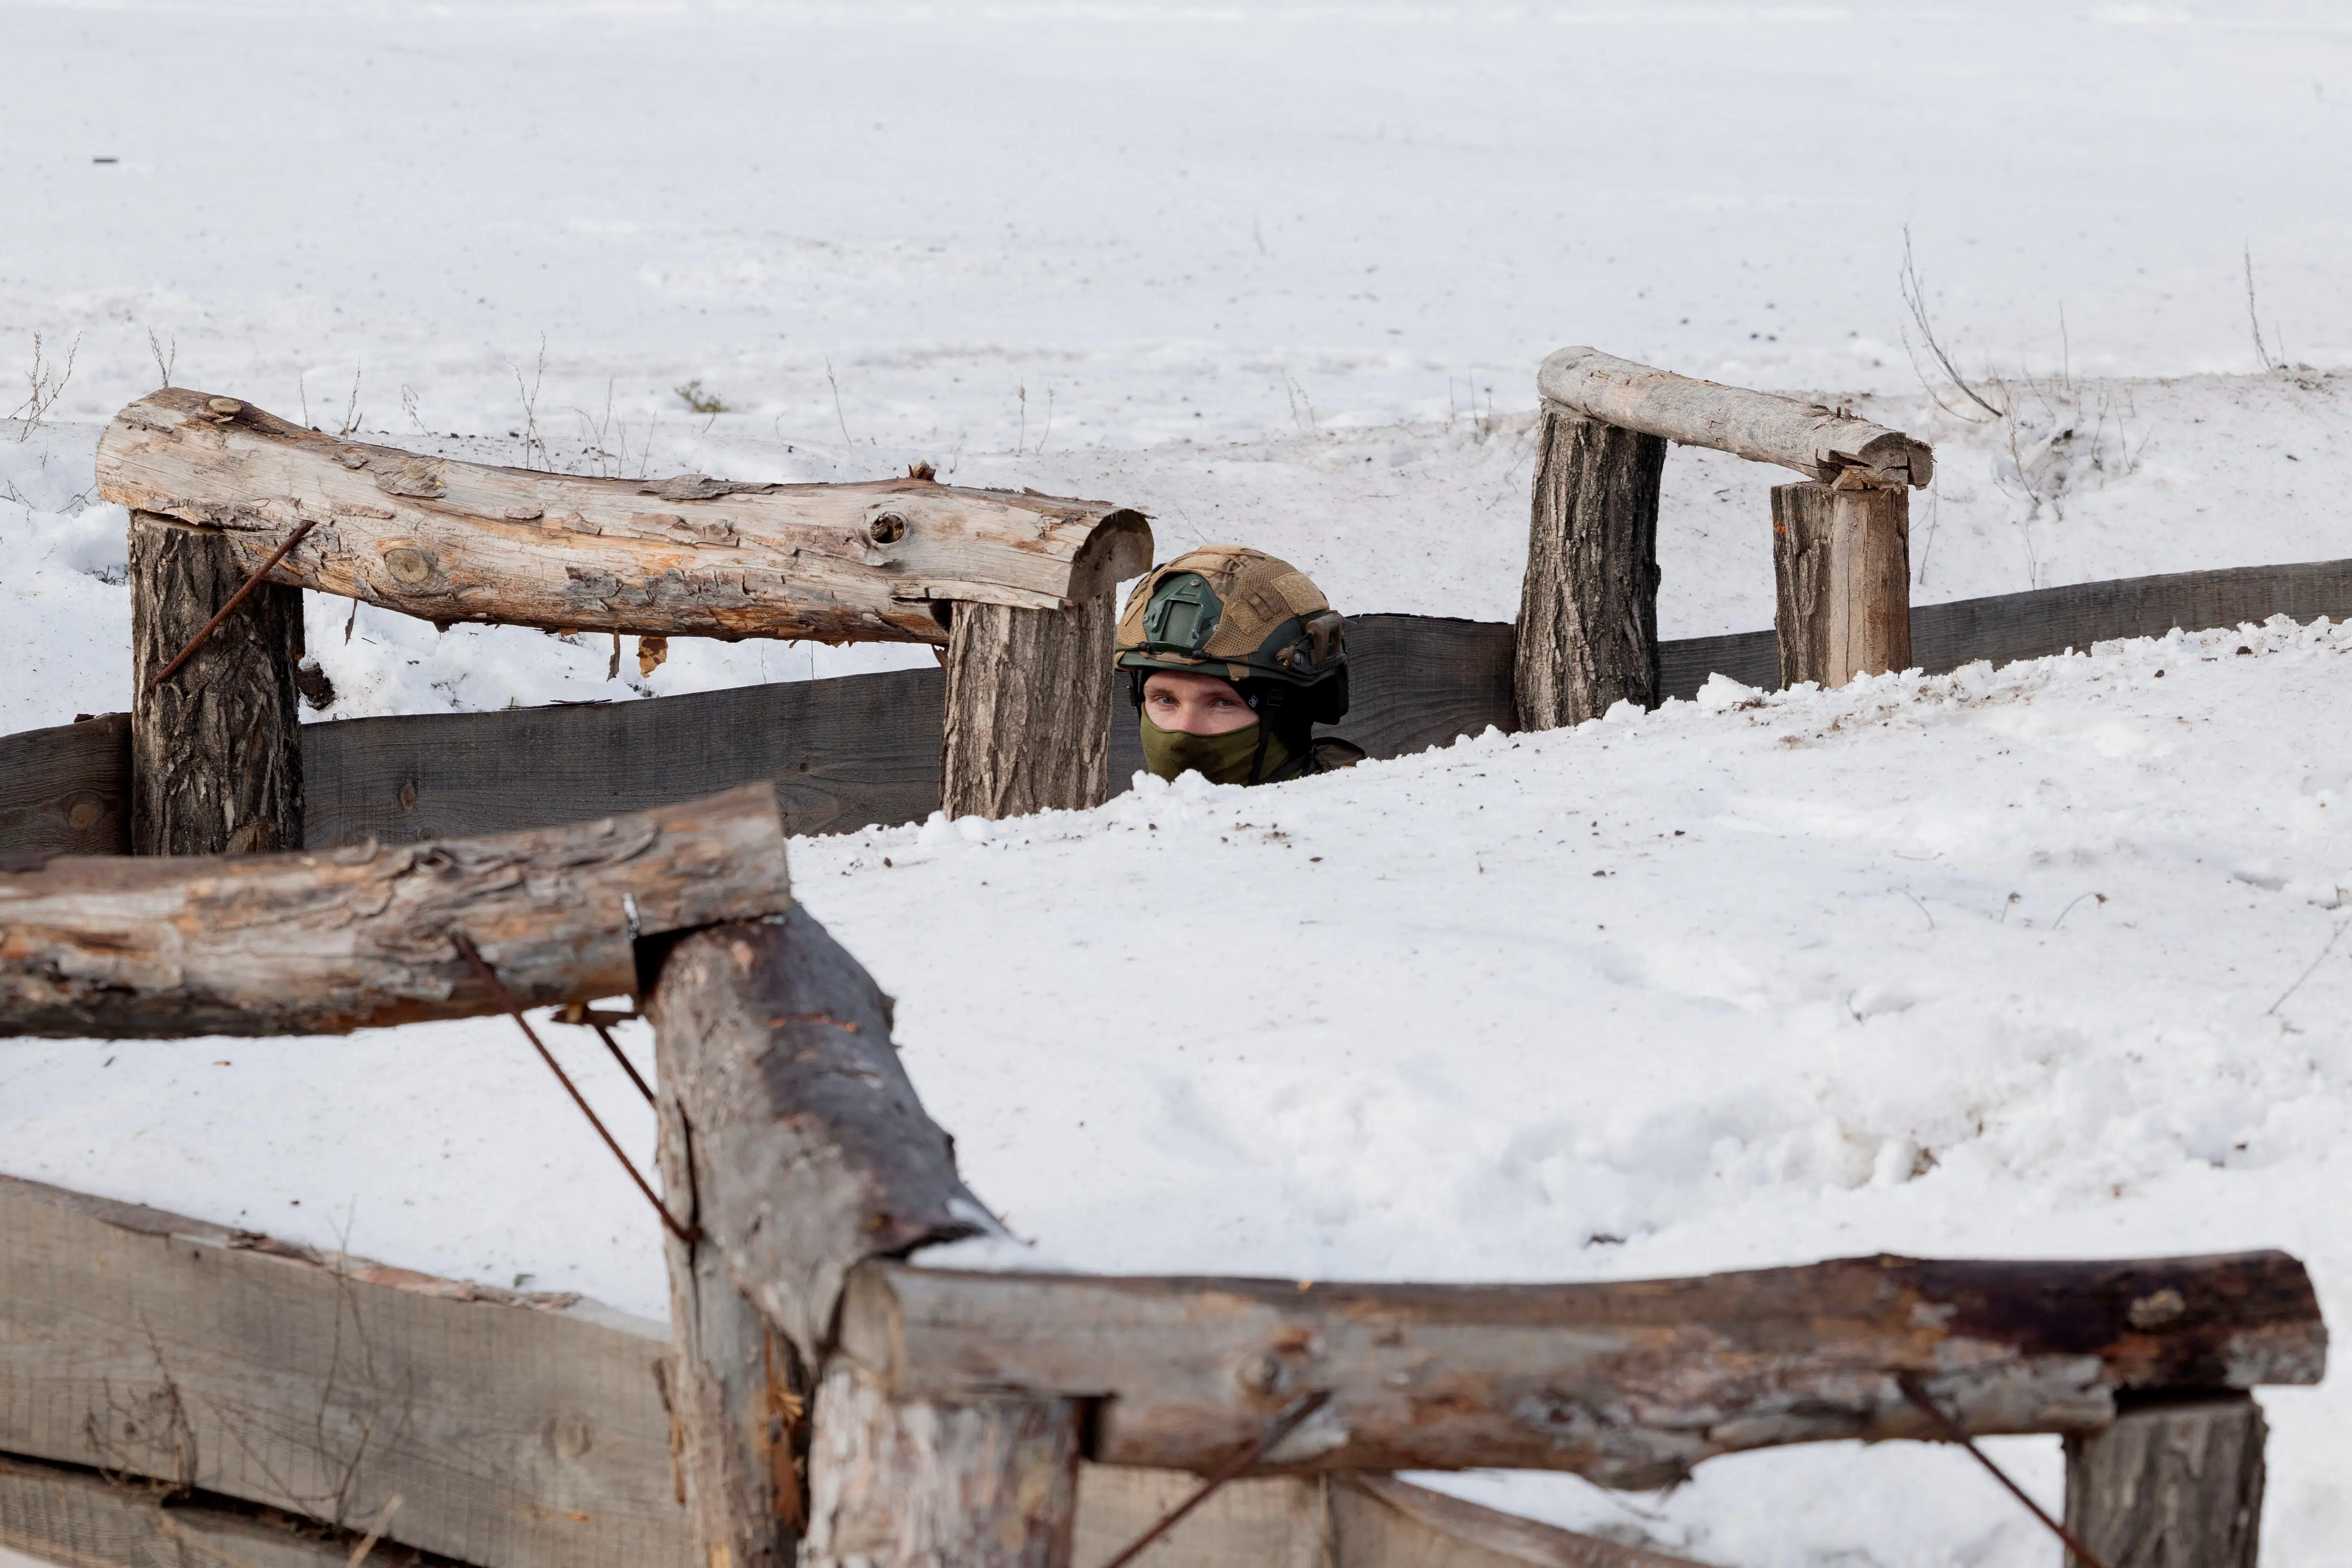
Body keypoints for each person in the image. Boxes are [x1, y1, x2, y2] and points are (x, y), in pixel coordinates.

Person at [1114, 545, 1366, 786]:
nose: (1182, 732)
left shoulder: (1350, 818)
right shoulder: (1128, 825)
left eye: (1223, 703)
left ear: (1293, 713)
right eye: (1165, 700)